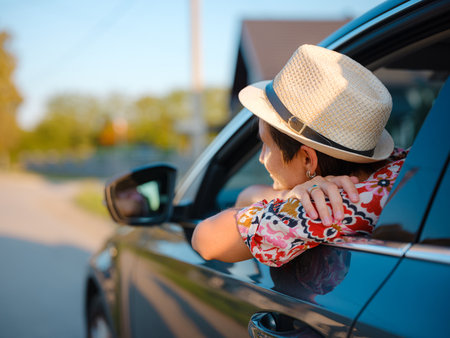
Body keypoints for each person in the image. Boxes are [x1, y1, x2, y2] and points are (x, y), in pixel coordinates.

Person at [192, 44, 407, 267]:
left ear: (307, 159)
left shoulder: (329, 207)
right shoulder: (402, 168)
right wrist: (287, 195)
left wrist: (292, 203)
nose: (261, 158)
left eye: (265, 145)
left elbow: (205, 240)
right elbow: (248, 195)